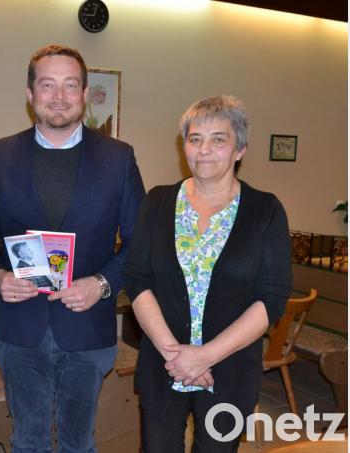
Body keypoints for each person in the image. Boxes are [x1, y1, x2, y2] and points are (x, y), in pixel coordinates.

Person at [0, 44, 145, 452]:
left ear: (85, 93)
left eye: (71, 85)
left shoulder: (119, 159)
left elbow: (140, 242)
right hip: (20, 327)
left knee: (77, 442)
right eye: (48, 85)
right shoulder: (1, 154)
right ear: (30, 94)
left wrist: (101, 284)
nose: (60, 95)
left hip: (87, 329)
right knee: (27, 440)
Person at [123, 95, 292, 452]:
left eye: (219, 139)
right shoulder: (157, 202)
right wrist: (178, 357)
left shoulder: (265, 211)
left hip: (228, 371)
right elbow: (138, 280)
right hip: (164, 367)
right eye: (195, 138)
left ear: (240, 149)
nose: (204, 149)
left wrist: (205, 356)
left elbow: (272, 297)